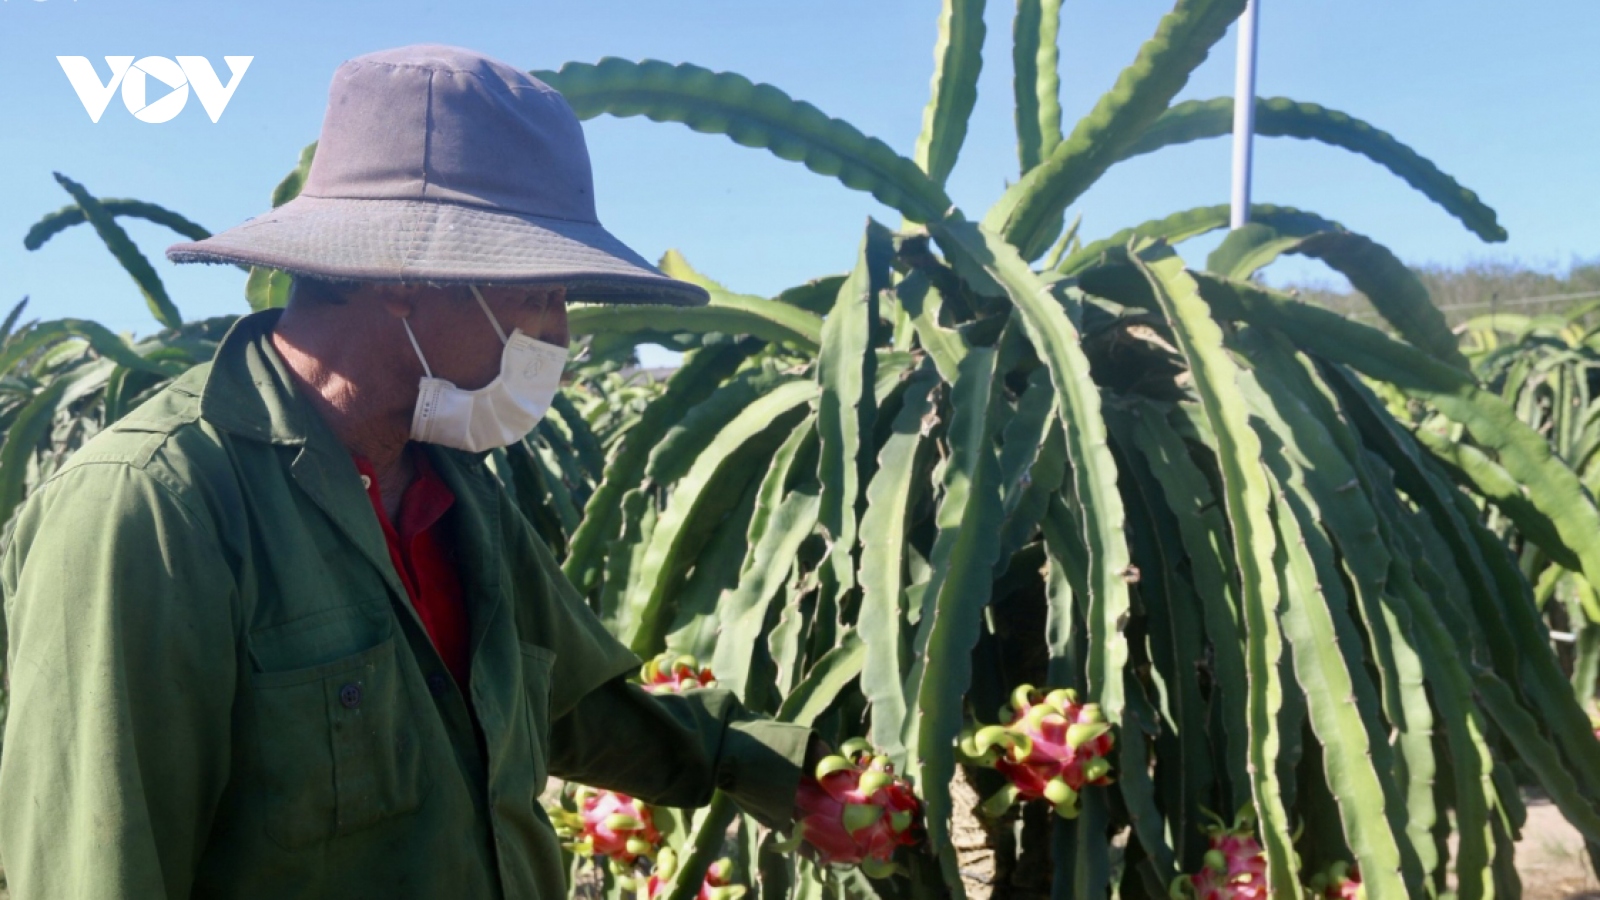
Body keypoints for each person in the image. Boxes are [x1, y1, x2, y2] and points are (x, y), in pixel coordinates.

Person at [0, 44, 822, 899]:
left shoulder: (455, 489)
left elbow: (565, 702)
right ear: (401, 274)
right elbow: (97, 868)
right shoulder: (153, 510)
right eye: (539, 291)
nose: (561, 333)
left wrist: (779, 774)